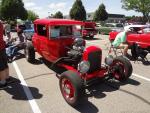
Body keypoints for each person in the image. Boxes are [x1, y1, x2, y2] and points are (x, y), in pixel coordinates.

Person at [0, 21, 10, 88]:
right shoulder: (0, 23)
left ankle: (3, 82)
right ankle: (7, 77)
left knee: (1, 66)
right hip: (2, 46)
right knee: (4, 63)